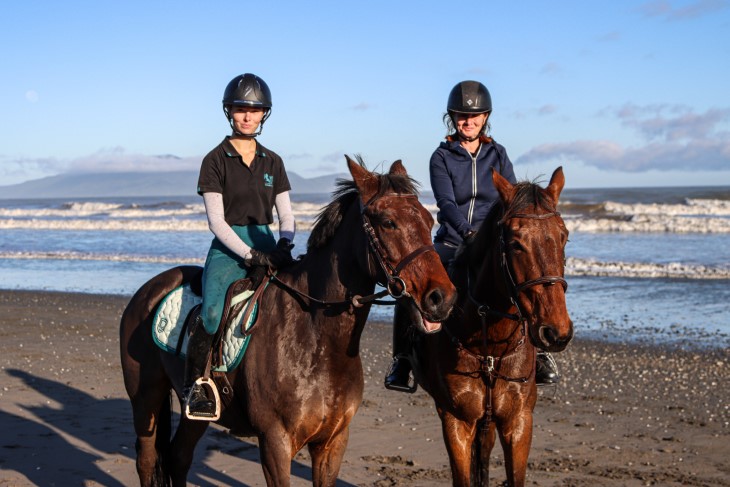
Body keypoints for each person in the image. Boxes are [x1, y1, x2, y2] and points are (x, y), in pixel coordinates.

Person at [384, 80, 559, 392]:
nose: (469, 121)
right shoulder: (441, 157)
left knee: (525, 273)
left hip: (492, 240)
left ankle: (541, 353)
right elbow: (446, 203)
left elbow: (513, 199)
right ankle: (403, 360)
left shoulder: (498, 154)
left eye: (475, 116)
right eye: (462, 116)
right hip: (454, 239)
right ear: (453, 118)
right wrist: (466, 232)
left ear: (486, 117)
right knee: (414, 285)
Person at [183, 73, 296, 418]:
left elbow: (287, 216)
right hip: (228, 247)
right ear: (229, 112)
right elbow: (216, 222)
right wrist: (251, 255)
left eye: (255, 110)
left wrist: (284, 245)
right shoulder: (214, 160)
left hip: (266, 241)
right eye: (241, 109)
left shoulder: (273, 161)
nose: (247, 116)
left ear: (264, 114)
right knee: (214, 312)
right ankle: (197, 386)